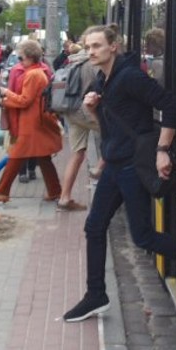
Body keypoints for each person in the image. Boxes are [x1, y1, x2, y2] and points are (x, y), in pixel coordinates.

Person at [63, 27, 176, 322]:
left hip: (133, 166)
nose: (91, 51)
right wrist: (93, 110)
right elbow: (109, 128)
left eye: (96, 46)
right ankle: (95, 295)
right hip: (115, 165)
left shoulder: (130, 77)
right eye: (88, 46)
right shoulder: (101, 80)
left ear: (113, 47)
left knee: (143, 237)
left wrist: (163, 149)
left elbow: (170, 105)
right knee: (94, 227)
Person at [0, 40, 62, 203]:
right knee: (43, 158)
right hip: (37, 121)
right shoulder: (40, 71)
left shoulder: (33, 74)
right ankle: (55, 191)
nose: (20, 61)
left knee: (16, 155)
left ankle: (2, 192)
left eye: (21, 58)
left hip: (31, 123)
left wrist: (6, 95)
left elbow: (24, 101)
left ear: (29, 57)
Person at [54, 27, 105, 212]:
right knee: (116, 135)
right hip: (84, 111)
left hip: (70, 111)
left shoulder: (74, 60)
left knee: (77, 154)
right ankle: (98, 169)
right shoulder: (93, 63)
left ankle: (64, 198)